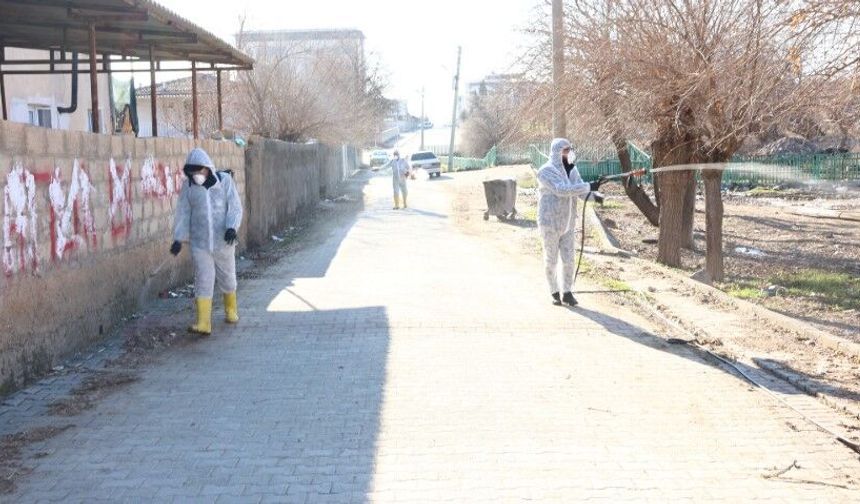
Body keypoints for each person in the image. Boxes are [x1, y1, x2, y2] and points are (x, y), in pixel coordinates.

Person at [170, 147, 244, 335]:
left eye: (199, 170)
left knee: (227, 277)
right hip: (200, 243)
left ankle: (231, 310)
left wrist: (231, 227)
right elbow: (183, 213)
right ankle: (203, 322)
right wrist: (178, 238)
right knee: (203, 279)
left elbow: (235, 207)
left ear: (207, 168)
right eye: (192, 172)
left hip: (223, 242)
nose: (197, 175)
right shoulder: (188, 188)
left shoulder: (224, 181)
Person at [536, 138, 603, 307]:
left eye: (569, 150)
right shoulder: (545, 171)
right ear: (557, 152)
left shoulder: (572, 170)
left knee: (568, 259)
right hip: (549, 223)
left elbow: (579, 190)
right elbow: (561, 190)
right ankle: (554, 291)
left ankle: (567, 292)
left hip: (568, 223)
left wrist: (597, 196)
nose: (569, 153)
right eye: (566, 150)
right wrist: (589, 186)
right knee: (551, 260)